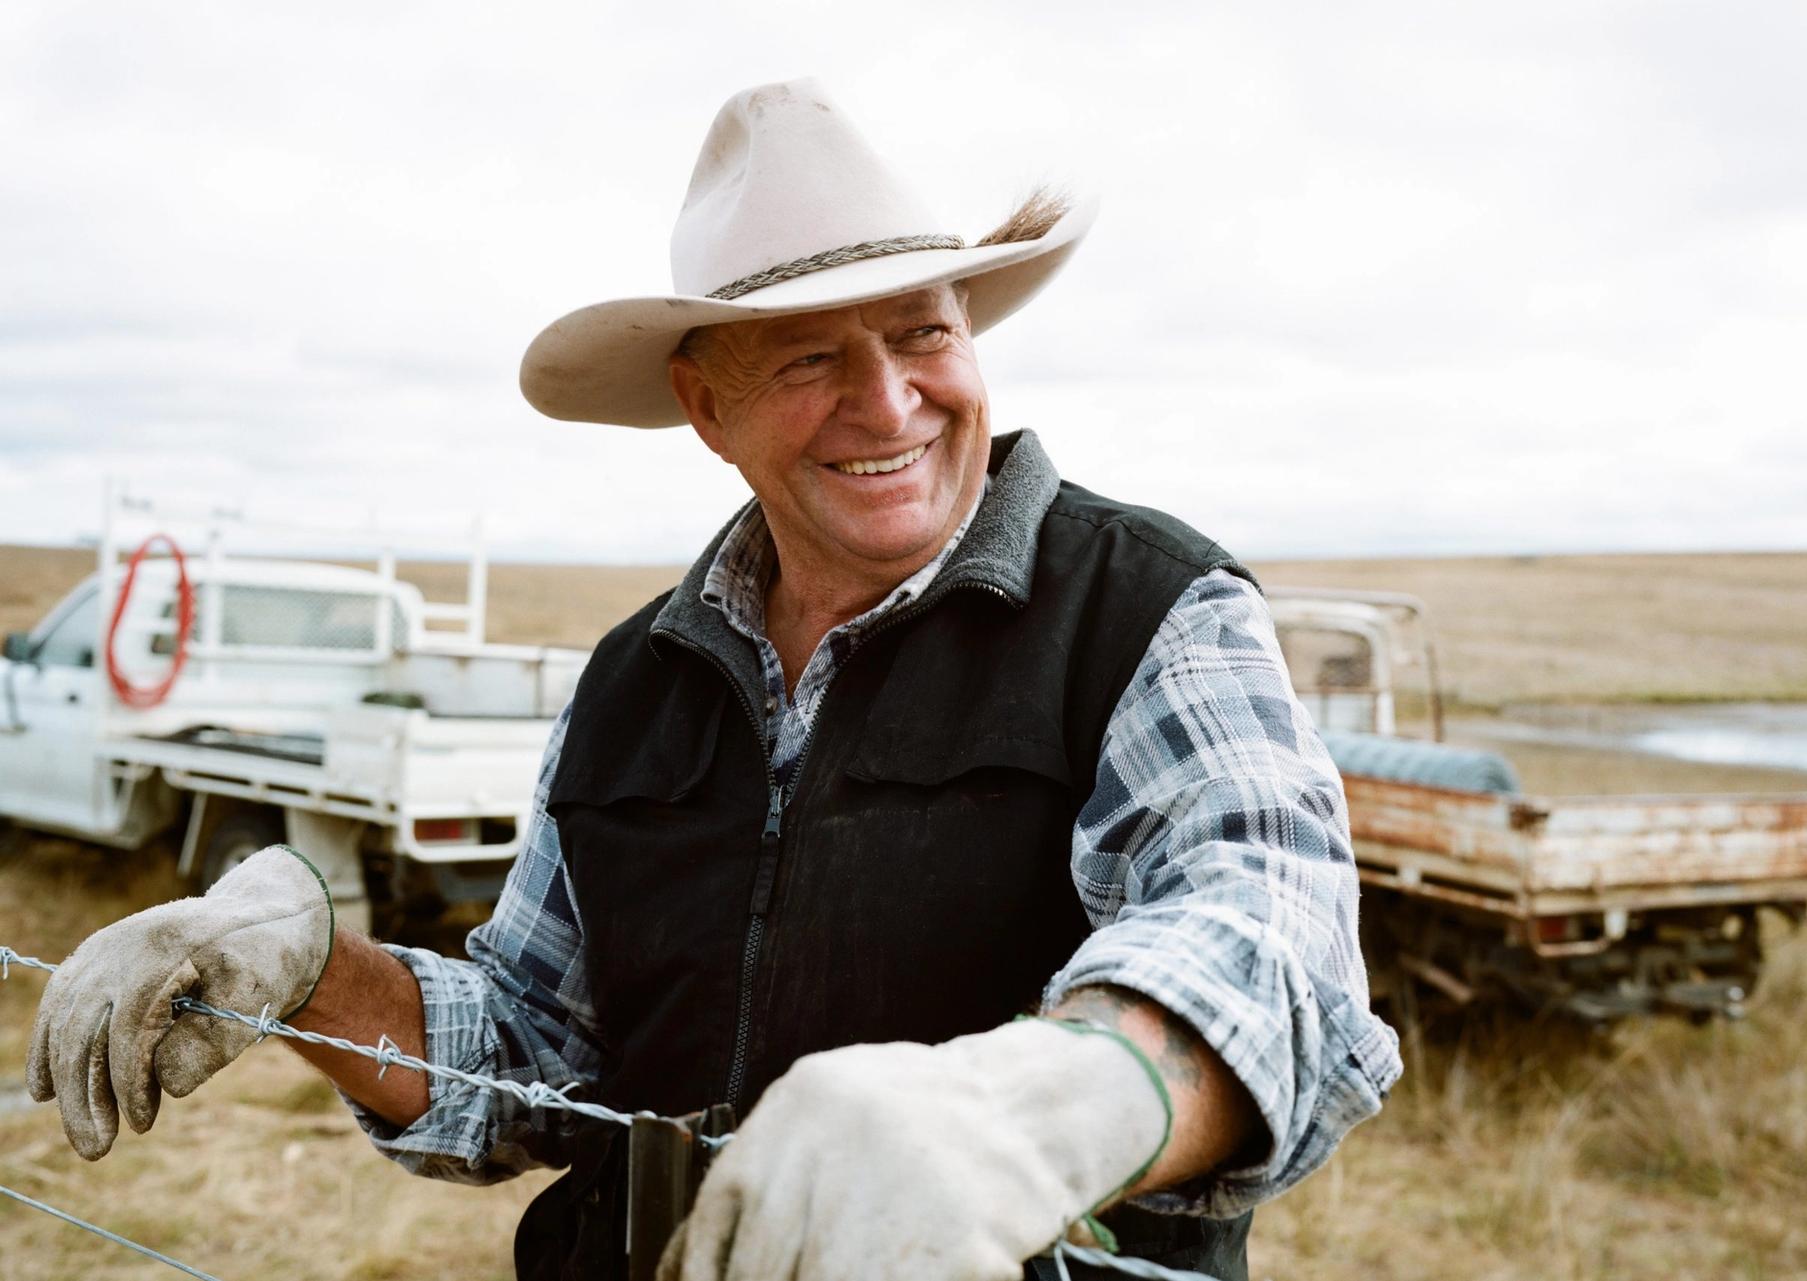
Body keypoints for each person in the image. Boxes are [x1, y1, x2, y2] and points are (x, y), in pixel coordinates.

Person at [26, 79, 1401, 1280]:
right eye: (813, 355)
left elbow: (1268, 941)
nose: (889, 401)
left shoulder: (1149, 607)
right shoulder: (635, 679)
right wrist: (312, 970)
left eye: (923, 332)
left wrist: (1029, 1109)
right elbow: (531, 1056)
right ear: (706, 406)